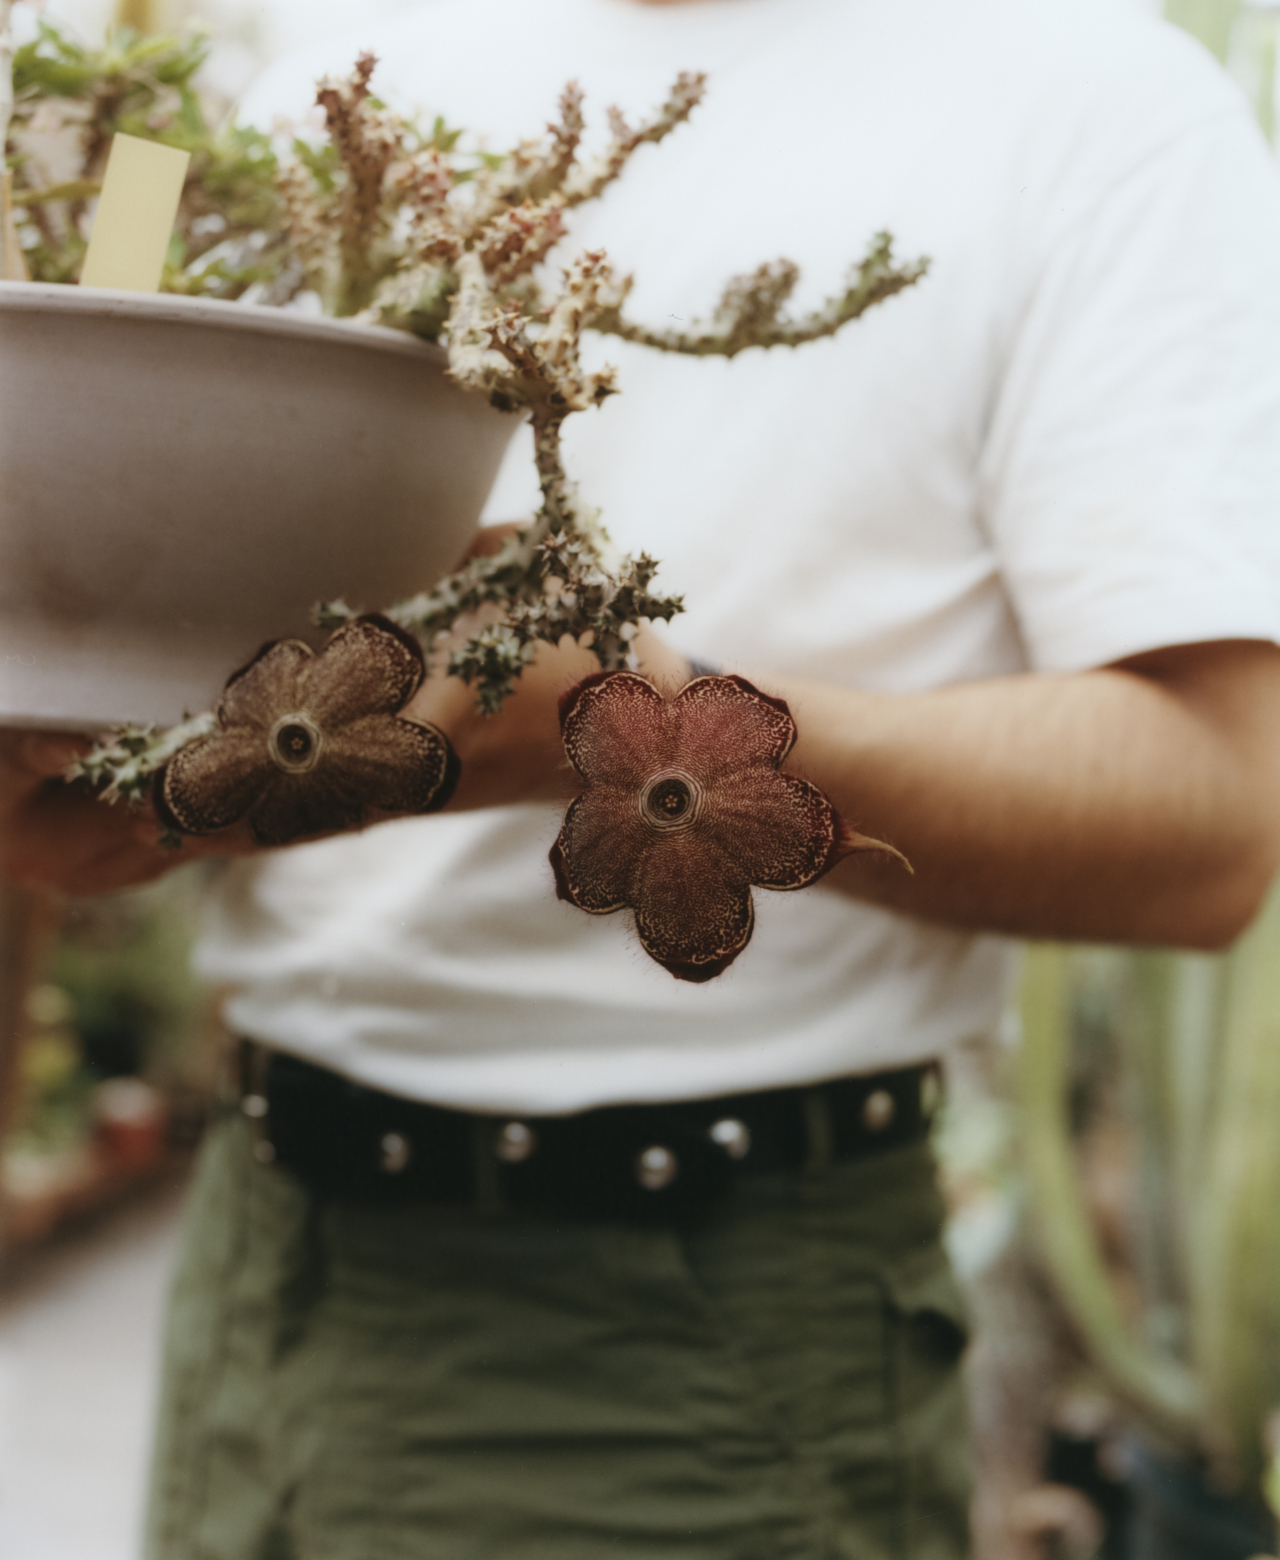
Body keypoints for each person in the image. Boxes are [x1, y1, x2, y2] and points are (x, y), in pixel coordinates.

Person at [7, 0, 1280, 1553]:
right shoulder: (321, 65)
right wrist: (89, 760)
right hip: (258, 1269)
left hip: (695, 1335)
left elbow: (1208, 820)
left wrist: (637, 726)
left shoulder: (1097, 104)